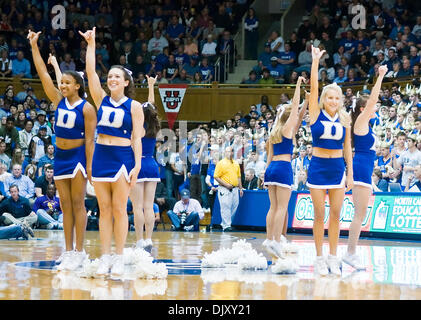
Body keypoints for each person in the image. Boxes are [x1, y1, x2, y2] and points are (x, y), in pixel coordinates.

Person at [28, 30, 97, 272]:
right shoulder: (58, 101)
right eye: (62, 83)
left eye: (67, 83)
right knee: (65, 204)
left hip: (78, 157)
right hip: (60, 158)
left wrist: (89, 167)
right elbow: (42, 73)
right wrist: (34, 46)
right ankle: (68, 252)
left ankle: (80, 251)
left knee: (78, 203)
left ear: (77, 85)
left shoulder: (87, 108)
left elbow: (90, 140)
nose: (62, 86)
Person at [80, 27, 143, 276]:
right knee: (103, 211)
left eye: (118, 77)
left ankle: (119, 256)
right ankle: (105, 256)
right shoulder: (101, 99)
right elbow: (89, 72)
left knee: (119, 209)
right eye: (111, 76)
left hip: (123, 159)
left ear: (126, 83)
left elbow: (137, 138)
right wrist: (91, 44)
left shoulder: (135, 106)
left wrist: (137, 166)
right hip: (101, 157)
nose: (112, 79)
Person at [307, 46, 353, 276]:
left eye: (337, 98)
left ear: (340, 100)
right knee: (318, 215)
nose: (333, 101)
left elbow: (347, 149)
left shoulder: (345, 118)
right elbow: (314, 88)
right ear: (324, 99)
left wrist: (351, 175)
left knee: (336, 214)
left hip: (337, 169)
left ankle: (333, 257)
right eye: (330, 97)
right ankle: (318, 258)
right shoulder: (315, 112)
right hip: (317, 167)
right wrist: (316, 61)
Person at [344, 65, 388, 271]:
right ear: (363, 110)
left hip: (364, 168)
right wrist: (380, 76)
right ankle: (350, 253)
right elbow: (372, 100)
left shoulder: (365, 125)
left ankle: (351, 253)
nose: (376, 107)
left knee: (360, 214)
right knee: (359, 214)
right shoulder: (360, 122)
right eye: (372, 106)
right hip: (361, 169)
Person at [262, 76, 305, 260]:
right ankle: (277, 242)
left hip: (271, 168)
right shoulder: (288, 129)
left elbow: (299, 114)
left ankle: (269, 239)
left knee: (273, 207)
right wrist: (297, 86)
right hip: (283, 167)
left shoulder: (275, 131)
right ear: (290, 119)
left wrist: (307, 102)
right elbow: (295, 108)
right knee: (282, 208)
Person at [129, 74, 161, 252]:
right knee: (149, 206)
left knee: (137, 207)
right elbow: (152, 107)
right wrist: (151, 86)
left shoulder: (136, 128)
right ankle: (149, 240)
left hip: (138, 166)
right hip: (152, 164)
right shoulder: (154, 126)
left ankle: (140, 240)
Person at [213, 146, 243, 231]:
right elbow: (216, 176)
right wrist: (226, 185)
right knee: (225, 206)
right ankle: (226, 226)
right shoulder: (221, 163)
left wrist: (240, 188)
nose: (228, 153)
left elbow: (239, 177)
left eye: (230, 151)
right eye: (227, 151)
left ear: (233, 153)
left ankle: (225, 223)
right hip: (224, 188)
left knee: (234, 206)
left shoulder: (236, 163)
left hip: (235, 188)